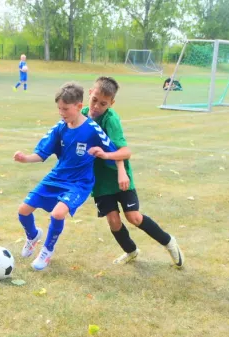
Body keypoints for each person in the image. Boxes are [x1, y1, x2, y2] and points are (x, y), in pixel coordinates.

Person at [14, 82, 126, 271]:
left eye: (65, 109)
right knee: (23, 210)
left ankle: (47, 251)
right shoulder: (60, 128)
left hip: (79, 183)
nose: (61, 113)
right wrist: (25, 158)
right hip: (56, 177)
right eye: (59, 108)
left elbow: (114, 152)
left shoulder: (93, 130)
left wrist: (120, 169)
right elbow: (42, 154)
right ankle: (33, 236)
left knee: (58, 213)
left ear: (79, 106)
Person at [82, 76, 184, 267]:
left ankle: (169, 242)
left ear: (111, 103)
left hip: (120, 178)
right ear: (90, 93)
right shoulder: (82, 116)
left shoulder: (110, 119)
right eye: (94, 100)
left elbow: (124, 150)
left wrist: (119, 169)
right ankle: (131, 251)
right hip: (100, 181)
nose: (96, 106)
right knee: (113, 221)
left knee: (134, 217)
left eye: (103, 103)